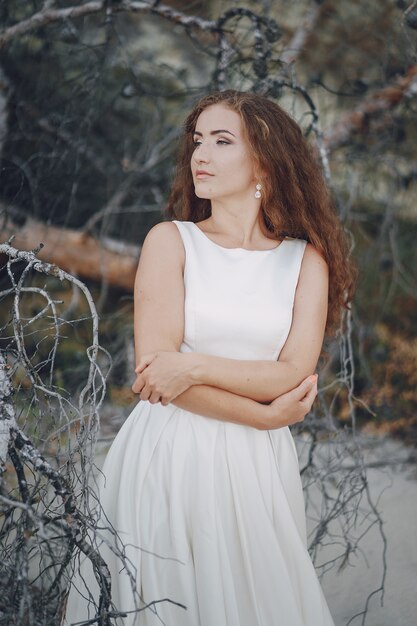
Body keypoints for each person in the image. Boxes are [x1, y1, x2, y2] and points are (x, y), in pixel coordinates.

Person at [65, 90, 354, 626]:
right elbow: (156, 376)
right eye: (199, 140)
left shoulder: (305, 260)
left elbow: (291, 374)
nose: (201, 154)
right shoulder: (171, 242)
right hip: (169, 452)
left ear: (265, 160)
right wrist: (265, 415)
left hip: (256, 467)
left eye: (223, 141)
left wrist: (193, 365)